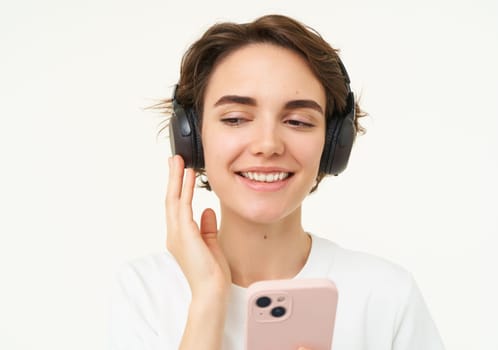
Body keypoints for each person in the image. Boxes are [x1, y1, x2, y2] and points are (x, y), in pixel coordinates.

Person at [109, 14, 445, 350]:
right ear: (193, 137)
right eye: (236, 118)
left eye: (298, 121)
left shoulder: (387, 296)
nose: (268, 145)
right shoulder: (147, 290)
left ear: (332, 144)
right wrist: (209, 298)